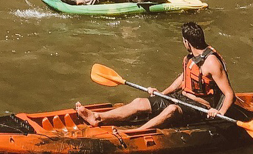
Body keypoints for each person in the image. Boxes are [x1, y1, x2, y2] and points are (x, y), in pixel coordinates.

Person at [75, 22, 236, 129]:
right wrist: (162, 93)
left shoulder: (212, 63)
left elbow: (229, 94)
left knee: (172, 109)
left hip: (200, 108)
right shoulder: (191, 58)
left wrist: (219, 113)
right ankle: (97, 117)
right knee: (139, 102)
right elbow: (183, 79)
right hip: (182, 98)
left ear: (187, 42)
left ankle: (138, 132)